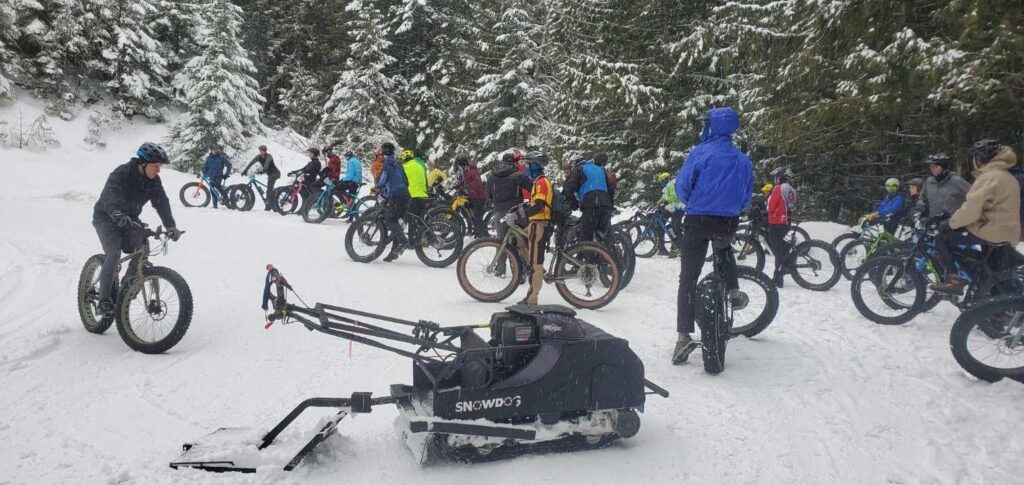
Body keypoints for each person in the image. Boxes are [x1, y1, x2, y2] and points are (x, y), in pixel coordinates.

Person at [672, 107, 754, 367]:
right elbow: (746, 195)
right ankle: (732, 289)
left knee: (688, 277)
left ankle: (683, 336)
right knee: (724, 248)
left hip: (698, 219)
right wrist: (733, 209)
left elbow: (682, 186)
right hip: (727, 220)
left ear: (712, 126)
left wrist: (693, 202)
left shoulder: (700, 152)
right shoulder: (742, 159)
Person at [92, 143, 181, 317]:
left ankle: (127, 286)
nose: (158, 170)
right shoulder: (121, 174)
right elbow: (109, 196)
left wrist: (170, 225)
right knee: (114, 253)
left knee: (142, 248)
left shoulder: (153, 181)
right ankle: (103, 300)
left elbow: (161, 202)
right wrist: (118, 215)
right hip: (106, 218)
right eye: (156, 166)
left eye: (159, 166)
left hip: (130, 220)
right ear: (143, 163)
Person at [932, 140, 1021, 294]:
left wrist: (949, 224)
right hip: (1007, 230)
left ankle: (954, 280)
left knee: (942, 238)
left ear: (979, 159)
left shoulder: (989, 177)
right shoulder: (1006, 175)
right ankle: (995, 303)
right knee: (989, 265)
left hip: (991, 229)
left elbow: (971, 210)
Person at [501, 152, 554, 305]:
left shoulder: (541, 182)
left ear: (535, 165)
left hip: (540, 224)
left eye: (528, 165)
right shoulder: (537, 181)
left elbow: (538, 206)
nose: (526, 168)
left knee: (535, 264)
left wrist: (519, 214)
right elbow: (533, 203)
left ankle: (532, 298)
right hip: (535, 223)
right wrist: (519, 207)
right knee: (522, 246)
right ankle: (539, 275)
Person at [486, 153, 533, 275]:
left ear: (502, 162)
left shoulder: (492, 176)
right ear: (513, 162)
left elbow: (488, 195)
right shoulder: (518, 175)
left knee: (502, 241)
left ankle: (500, 269)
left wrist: (497, 203)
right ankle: (522, 269)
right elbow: (533, 188)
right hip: (517, 211)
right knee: (521, 240)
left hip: (499, 212)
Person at [563, 155, 614, 242]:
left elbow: (568, 189)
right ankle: (610, 253)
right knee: (604, 237)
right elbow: (610, 188)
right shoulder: (600, 169)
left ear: (575, 164)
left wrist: (573, 203)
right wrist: (610, 203)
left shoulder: (579, 169)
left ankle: (588, 255)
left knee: (586, 238)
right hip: (606, 204)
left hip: (591, 204)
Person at [377, 143, 411, 262]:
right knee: (398, 223)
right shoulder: (397, 162)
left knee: (391, 220)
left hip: (397, 195)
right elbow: (406, 180)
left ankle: (403, 241)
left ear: (384, 152)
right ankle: (394, 252)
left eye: (381, 150)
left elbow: (384, 177)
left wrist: (378, 186)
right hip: (405, 194)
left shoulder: (388, 163)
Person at [915, 153, 971, 220]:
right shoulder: (929, 182)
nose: (932, 169)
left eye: (936, 167)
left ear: (944, 168)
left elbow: (974, 198)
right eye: (931, 166)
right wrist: (920, 205)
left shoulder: (956, 181)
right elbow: (923, 198)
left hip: (952, 224)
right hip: (933, 223)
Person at [766, 167, 797, 288]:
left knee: (777, 251)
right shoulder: (792, 189)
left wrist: (766, 209)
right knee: (781, 246)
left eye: (776, 177)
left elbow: (771, 205)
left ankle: (778, 276)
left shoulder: (778, 188)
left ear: (779, 177)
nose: (775, 179)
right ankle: (786, 263)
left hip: (777, 221)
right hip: (786, 221)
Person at [454, 155, 487, 237]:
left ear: (462, 165)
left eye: (459, 166)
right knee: (472, 213)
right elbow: (465, 181)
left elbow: (475, 184)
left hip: (478, 197)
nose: (459, 168)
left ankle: (482, 235)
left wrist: (466, 186)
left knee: (477, 216)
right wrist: (460, 185)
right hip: (473, 196)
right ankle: (477, 230)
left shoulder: (472, 171)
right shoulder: (468, 171)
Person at [401, 149, 429, 244]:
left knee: (411, 219)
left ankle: (411, 241)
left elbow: (402, 181)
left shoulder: (404, 167)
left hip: (413, 195)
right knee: (421, 219)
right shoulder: (420, 166)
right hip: (423, 195)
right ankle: (424, 238)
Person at [241, 145, 280, 210]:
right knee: (269, 188)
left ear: (265, 151)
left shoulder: (269, 156)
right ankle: (270, 201)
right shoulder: (258, 157)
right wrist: (245, 170)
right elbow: (251, 163)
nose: (261, 152)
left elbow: (266, 165)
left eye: (263, 151)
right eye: (260, 151)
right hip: (270, 174)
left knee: (268, 190)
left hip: (276, 173)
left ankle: (269, 206)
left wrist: (263, 170)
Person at [202, 144, 231, 208]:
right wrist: (202, 172)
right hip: (211, 176)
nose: (215, 151)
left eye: (216, 150)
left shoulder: (221, 157)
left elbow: (229, 165)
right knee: (213, 191)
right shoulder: (208, 158)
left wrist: (227, 173)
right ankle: (215, 206)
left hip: (219, 176)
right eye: (213, 150)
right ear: (211, 150)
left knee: (217, 185)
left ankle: (226, 199)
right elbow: (205, 168)